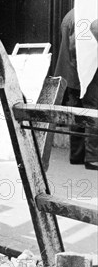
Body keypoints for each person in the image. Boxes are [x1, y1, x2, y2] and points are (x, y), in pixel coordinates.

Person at [54, 9, 98, 170]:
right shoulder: (85, 15)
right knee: (92, 111)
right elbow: (76, 47)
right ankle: (93, 157)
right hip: (85, 72)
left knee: (78, 113)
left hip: (71, 72)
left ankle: (77, 155)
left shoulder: (70, 15)